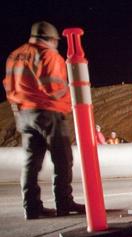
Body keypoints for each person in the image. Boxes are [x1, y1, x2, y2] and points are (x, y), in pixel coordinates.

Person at [3, 21, 85, 220]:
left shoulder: (15, 55)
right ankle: (64, 202)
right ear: (50, 39)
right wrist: (71, 101)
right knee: (63, 159)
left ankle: (31, 207)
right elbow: (55, 87)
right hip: (48, 112)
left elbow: (9, 85)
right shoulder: (48, 55)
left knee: (31, 162)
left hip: (24, 113)